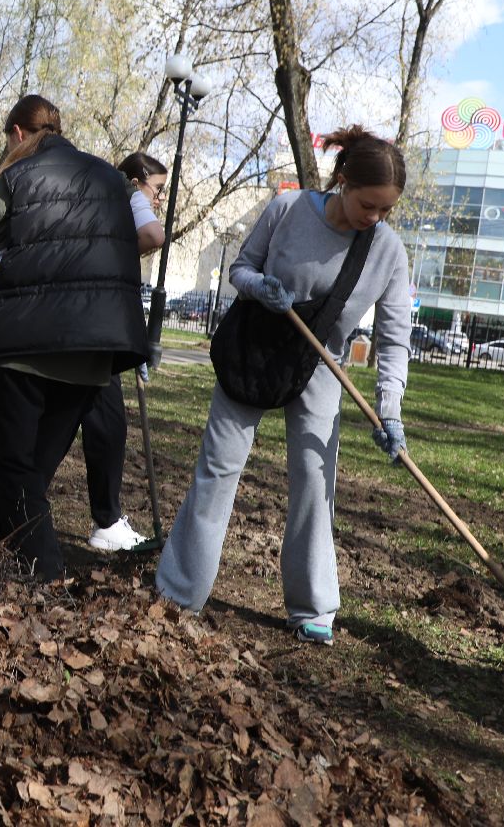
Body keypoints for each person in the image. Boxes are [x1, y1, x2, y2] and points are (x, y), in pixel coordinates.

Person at [156, 125, 412, 646]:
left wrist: (390, 409)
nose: (374, 217)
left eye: (386, 210)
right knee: (218, 467)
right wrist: (261, 288)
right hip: (256, 348)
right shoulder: (288, 209)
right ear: (343, 181)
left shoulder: (387, 251)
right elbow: (241, 269)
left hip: (321, 365)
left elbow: (394, 339)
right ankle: (180, 591)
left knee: (316, 482)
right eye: (368, 205)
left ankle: (312, 607)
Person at [0, 95, 149, 582]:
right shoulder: (113, 179)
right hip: (94, 347)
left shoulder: (14, 176)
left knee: (13, 464)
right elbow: (142, 236)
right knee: (33, 468)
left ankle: (47, 574)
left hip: (29, 342)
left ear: (17, 133)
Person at [66, 151, 170, 553]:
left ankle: (17, 503)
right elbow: (154, 236)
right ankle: (107, 522)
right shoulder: (124, 197)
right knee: (105, 423)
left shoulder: (102, 208)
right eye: (157, 189)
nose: (159, 199)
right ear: (137, 181)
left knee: (76, 420)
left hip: (90, 326)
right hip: (92, 330)